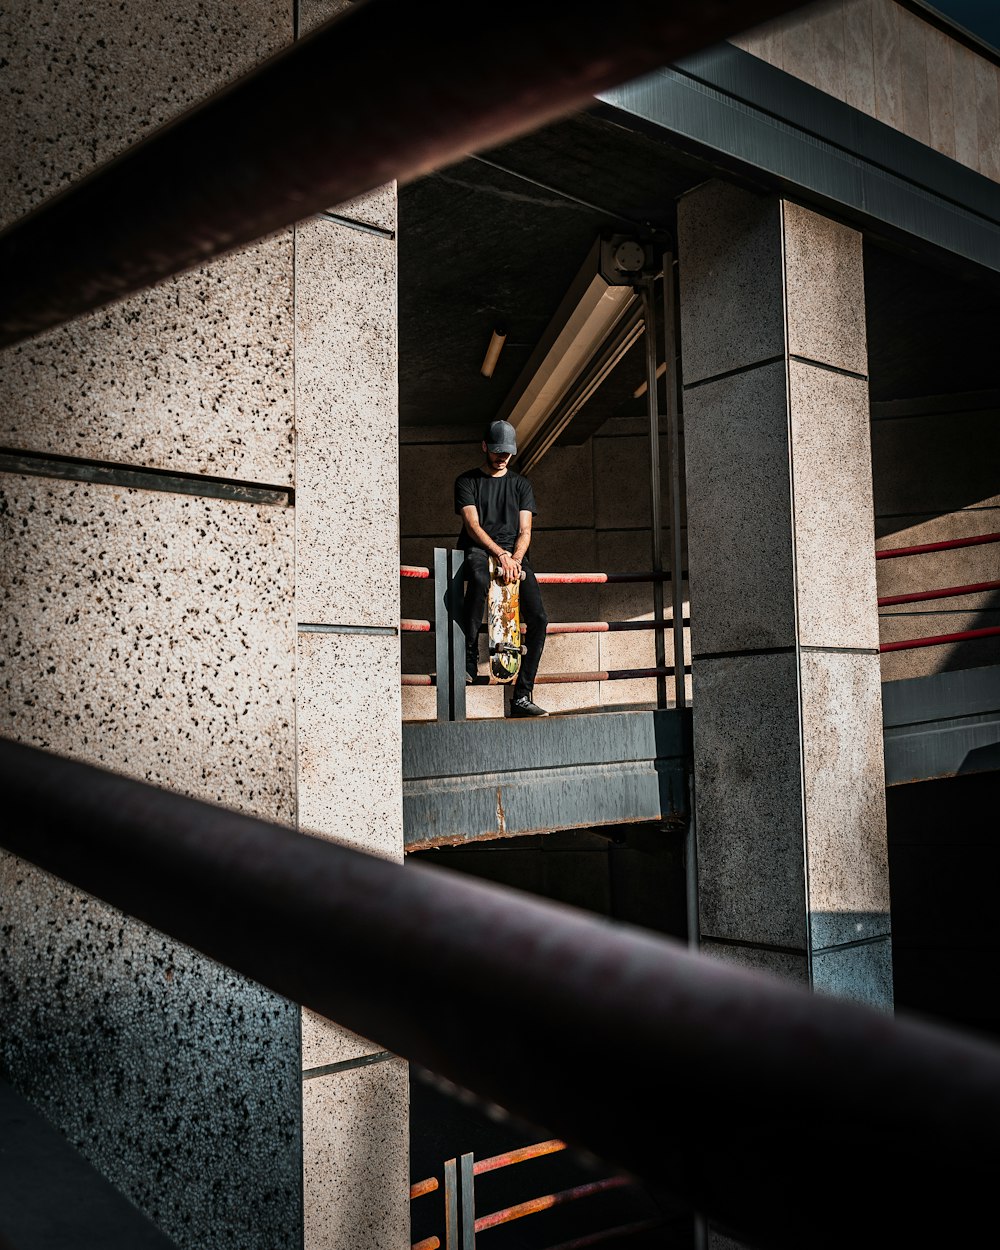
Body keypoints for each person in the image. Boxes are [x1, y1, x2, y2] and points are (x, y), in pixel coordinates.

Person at [454, 419, 549, 717]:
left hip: (515, 559)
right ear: (484, 447)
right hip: (480, 551)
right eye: (496, 451)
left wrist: (515, 560)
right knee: (481, 580)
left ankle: (522, 696)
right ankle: (469, 658)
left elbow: (526, 530)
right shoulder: (467, 481)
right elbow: (472, 525)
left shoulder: (521, 485)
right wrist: (500, 555)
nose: (501, 458)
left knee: (539, 619)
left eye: (506, 453)